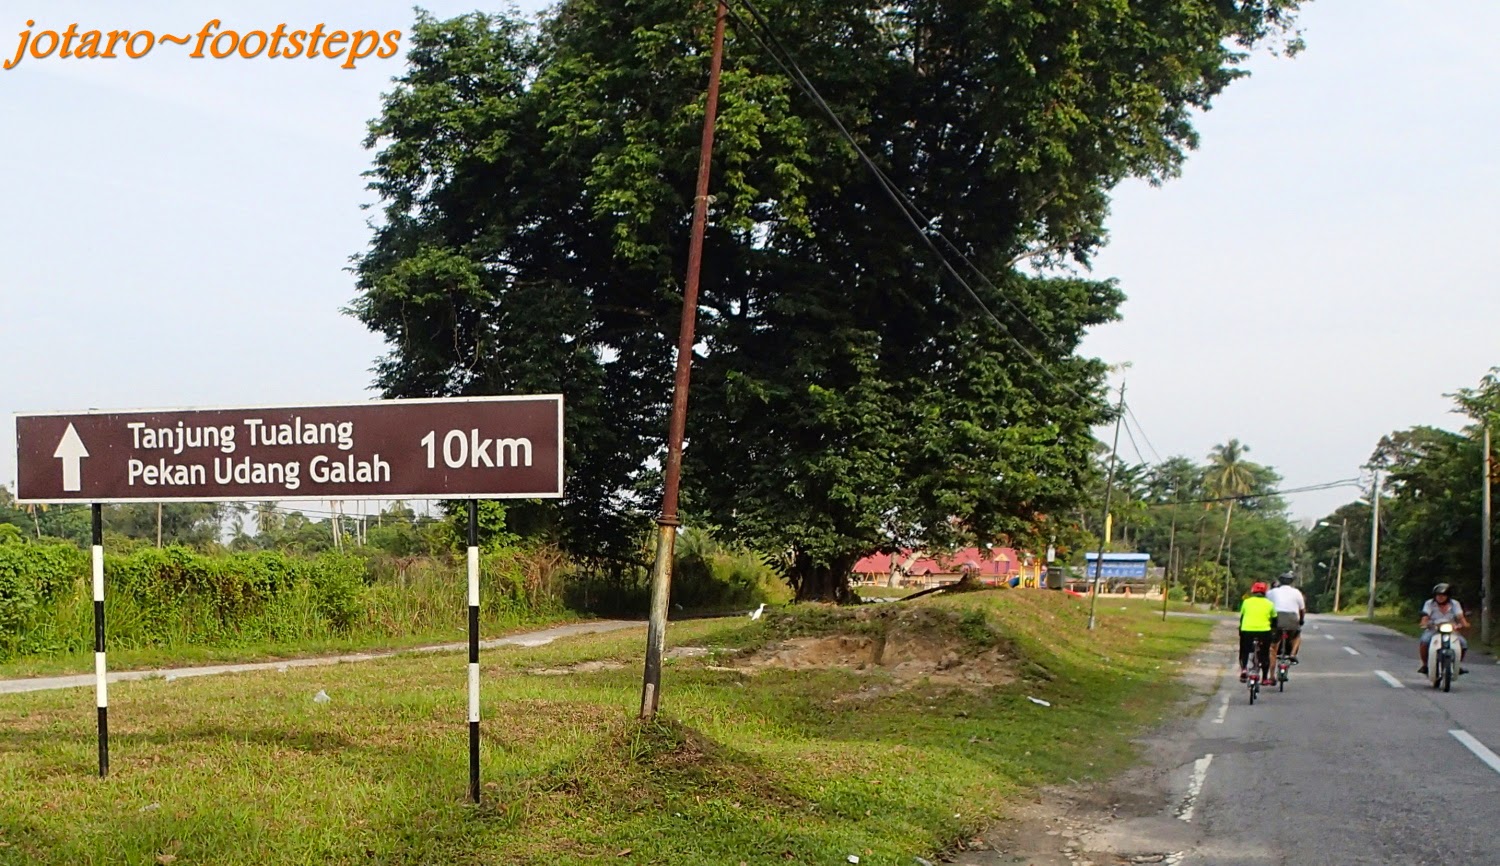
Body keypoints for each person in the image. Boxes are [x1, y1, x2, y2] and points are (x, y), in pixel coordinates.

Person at [1419, 582, 1470, 675]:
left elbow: (1460, 617)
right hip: (1433, 629)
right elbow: (1425, 617)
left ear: (1448, 596)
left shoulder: (1455, 604)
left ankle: (1457, 664)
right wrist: (1425, 624)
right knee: (1424, 641)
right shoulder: (1429, 603)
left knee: (1463, 643)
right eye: (1438, 595)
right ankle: (1425, 665)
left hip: (1451, 629)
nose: (1440, 597)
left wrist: (1463, 624)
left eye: (1443, 595)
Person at [1238, 581, 1277, 685]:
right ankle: (1264, 678)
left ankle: (1244, 669)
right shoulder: (1270, 604)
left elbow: (1242, 618)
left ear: (1253, 591)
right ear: (1265, 592)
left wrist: (1241, 630)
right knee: (1264, 654)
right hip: (1264, 632)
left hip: (1247, 630)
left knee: (1244, 650)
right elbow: (1274, 620)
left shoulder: (1246, 602)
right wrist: (1273, 632)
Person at [1266, 572, 1306, 665]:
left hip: (1276, 618)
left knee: (1275, 637)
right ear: (1291, 582)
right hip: (1292, 619)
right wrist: (1301, 620)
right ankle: (1292, 654)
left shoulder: (1272, 592)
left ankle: (1273, 653)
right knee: (1297, 636)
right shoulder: (1297, 592)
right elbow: (1302, 609)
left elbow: (1266, 606)